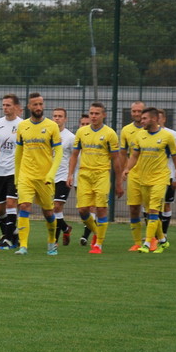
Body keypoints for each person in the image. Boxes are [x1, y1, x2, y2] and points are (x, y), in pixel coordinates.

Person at [122, 107, 176, 252]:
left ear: (154, 119)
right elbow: (134, 156)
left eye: (144, 118)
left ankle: (148, 243)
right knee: (150, 211)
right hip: (144, 179)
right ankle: (163, 240)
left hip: (160, 179)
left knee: (153, 211)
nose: (141, 120)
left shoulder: (167, 136)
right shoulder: (140, 136)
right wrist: (127, 169)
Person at [66, 102, 123, 255]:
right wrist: (70, 174)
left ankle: (98, 244)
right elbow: (74, 155)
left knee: (101, 208)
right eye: (91, 113)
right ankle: (98, 232)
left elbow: (116, 159)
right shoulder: (81, 132)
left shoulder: (110, 134)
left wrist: (118, 182)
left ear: (103, 115)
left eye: (97, 113)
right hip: (84, 174)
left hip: (102, 174)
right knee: (82, 210)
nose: (93, 116)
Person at [13, 93, 63, 255]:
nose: (38, 107)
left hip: (45, 178)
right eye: (35, 104)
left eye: (40, 104)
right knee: (24, 206)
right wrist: (17, 176)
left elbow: (59, 152)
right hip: (26, 175)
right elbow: (19, 153)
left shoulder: (52, 126)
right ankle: (23, 246)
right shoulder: (22, 126)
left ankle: (51, 241)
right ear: (29, 106)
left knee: (48, 212)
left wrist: (51, 174)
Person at [0, 94, 23, 248]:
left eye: (8, 105)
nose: (5, 108)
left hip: (15, 171)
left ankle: (7, 238)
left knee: (12, 203)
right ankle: (13, 234)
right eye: (3, 105)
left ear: (16, 107)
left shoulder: (23, 125)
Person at [120, 101, 147, 251]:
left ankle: (154, 239)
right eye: (134, 111)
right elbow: (123, 154)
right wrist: (124, 170)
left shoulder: (153, 130)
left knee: (152, 208)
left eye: (139, 111)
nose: (136, 114)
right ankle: (137, 242)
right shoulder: (126, 130)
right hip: (134, 174)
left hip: (152, 174)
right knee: (134, 208)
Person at [51, 107, 76, 246]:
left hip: (63, 176)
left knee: (57, 206)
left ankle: (54, 241)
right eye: (55, 116)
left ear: (65, 119)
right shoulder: (48, 135)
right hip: (49, 176)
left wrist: (71, 175)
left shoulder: (70, 137)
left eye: (60, 116)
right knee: (51, 209)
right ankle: (66, 228)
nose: (57, 118)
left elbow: (75, 157)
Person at [158, 110, 176, 245]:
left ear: (164, 119)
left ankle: (164, 233)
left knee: (166, 205)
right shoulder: (146, 134)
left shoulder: (172, 135)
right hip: (152, 176)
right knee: (153, 205)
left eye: (159, 118)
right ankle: (156, 234)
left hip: (169, 175)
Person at [76, 113, 95, 246]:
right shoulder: (75, 139)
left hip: (95, 177)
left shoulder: (95, 140)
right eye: (82, 124)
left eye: (86, 124)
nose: (84, 126)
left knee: (92, 207)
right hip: (79, 177)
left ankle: (86, 236)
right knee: (83, 209)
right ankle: (96, 231)